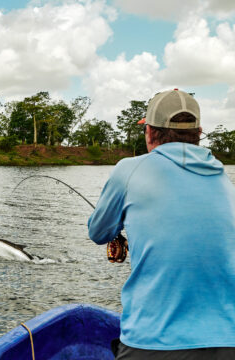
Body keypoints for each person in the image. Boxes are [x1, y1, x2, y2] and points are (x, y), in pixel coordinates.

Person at [88, 89, 235, 359]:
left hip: (152, 342)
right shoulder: (223, 177)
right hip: (227, 342)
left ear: (150, 133)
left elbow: (98, 232)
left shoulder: (128, 169)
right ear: (198, 133)